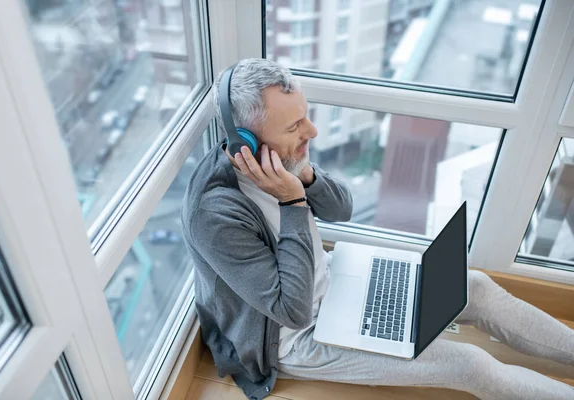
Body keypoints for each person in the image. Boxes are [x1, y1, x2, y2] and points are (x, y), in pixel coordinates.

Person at [181, 58, 574, 400]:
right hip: (291, 337)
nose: (312, 132)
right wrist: (292, 202)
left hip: (332, 278)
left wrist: (303, 172)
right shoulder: (214, 213)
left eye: (306, 115)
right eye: (295, 126)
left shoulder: (279, 160)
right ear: (244, 142)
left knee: (475, 286)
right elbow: (293, 312)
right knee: (471, 365)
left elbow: (342, 208)